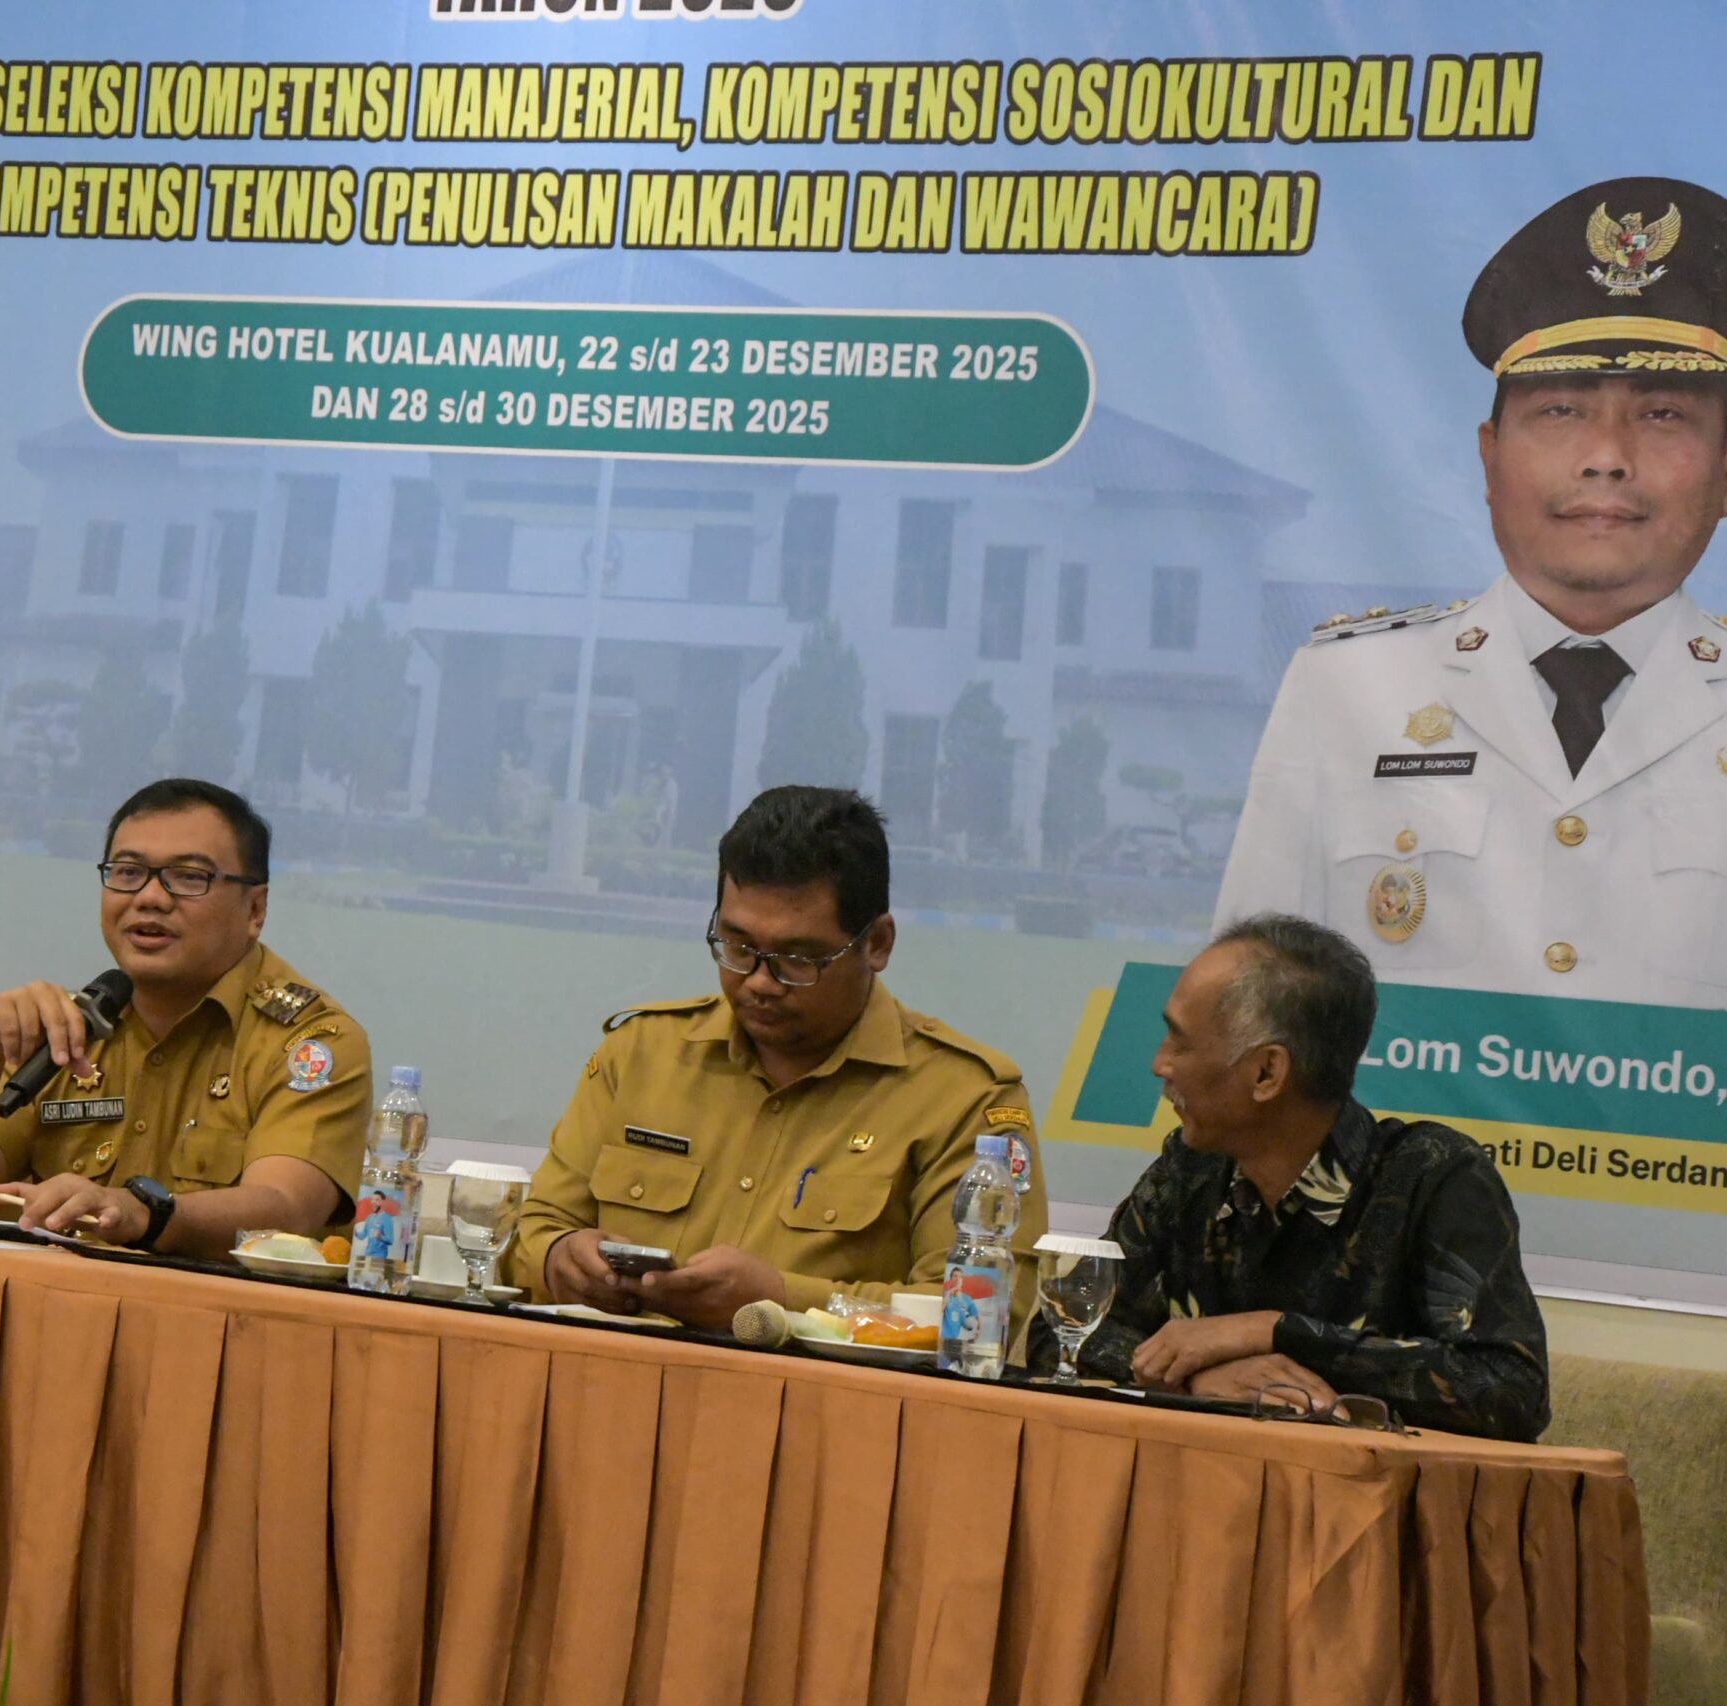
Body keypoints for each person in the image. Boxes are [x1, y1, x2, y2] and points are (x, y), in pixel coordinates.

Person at [1215, 175, 1727, 1005]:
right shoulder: (1346, 689)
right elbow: (1249, 1018)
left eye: (1663, 414)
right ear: (1490, 459)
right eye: (1560, 412)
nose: (1606, 457)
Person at [508, 785, 1047, 1334]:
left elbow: (982, 1316)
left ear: (878, 944)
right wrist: (560, 1257)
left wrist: (785, 1303)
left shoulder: (965, 1100)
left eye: (797, 958)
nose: (760, 982)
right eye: (738, 947)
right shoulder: (642, 1055)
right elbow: (533, 1230)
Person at [1037, 915, 1550, 1442]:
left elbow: (1510, 1390)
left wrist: (1272, 1331)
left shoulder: (1433, 1176)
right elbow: (1059, 1333)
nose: (1159, 1064)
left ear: (1266, 1073)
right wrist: (1196, 1381)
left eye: (1180, 1043)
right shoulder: (1189, 1171)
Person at [0, 780, 369, 1257]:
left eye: (189, 877)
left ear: (255, 909)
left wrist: (143, 1213)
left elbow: (286, 1209)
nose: (150, 897)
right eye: (128, 872)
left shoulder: (309, 1041)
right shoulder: (69, 1028)